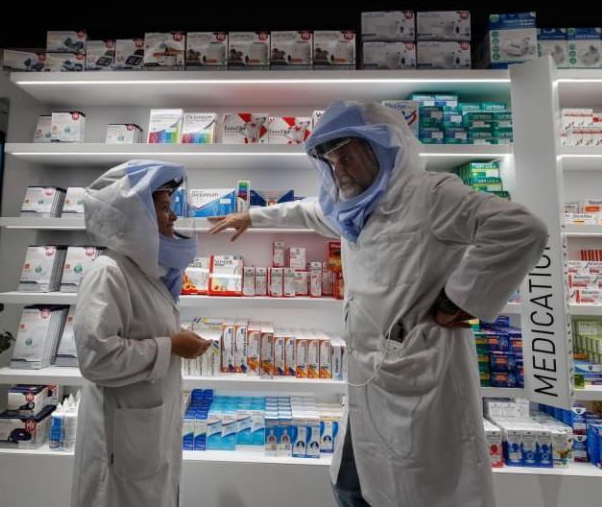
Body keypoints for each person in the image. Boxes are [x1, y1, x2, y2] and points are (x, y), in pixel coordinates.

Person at [209, 101, 548, 507]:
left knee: (420, 491)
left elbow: (522, 228)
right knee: (353, 486)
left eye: (347, 156)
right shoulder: (352, 207)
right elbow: (309, 211)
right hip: (368, 377)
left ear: (381, 149)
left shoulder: (430, 194)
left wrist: (458, 299)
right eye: (332, 162)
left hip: (420, 375)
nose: (339, 170)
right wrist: (254, 218)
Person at [71, 160, 211, 507]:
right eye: (164, 208)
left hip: (145, 433)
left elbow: (141, 331)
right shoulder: (109, 273)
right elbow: (96, 359)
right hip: (121, 443)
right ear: (138, 215)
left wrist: (171, 341)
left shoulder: (146, 272)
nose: (173, 217)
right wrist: (171, 346)